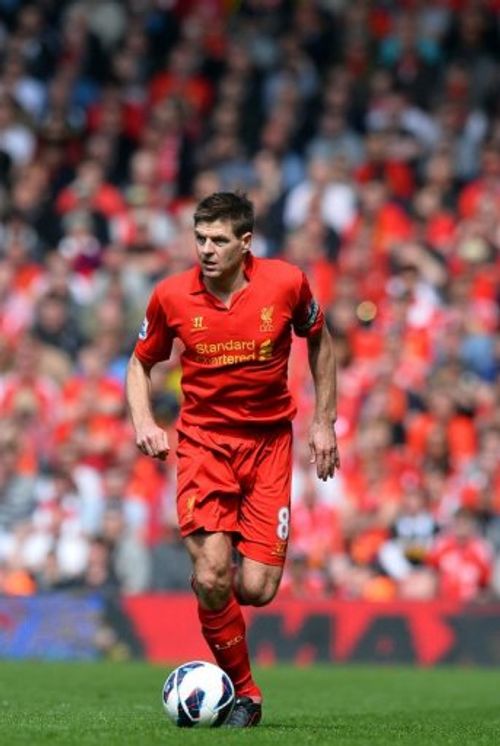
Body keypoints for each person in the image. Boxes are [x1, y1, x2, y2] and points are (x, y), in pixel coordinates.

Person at [125, 192, 339, 727]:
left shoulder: (286, 283)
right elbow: (140, 361)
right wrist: (144, 421)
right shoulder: (171, 295)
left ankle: (213, 586)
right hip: (203, 445)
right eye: (200, 238)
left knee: (257, 590)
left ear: (246, 243)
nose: (206, 249)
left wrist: (323, 421)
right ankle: (246, 693)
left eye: (219, 240)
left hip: (269, 445)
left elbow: (320, 341)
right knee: (215, 572)